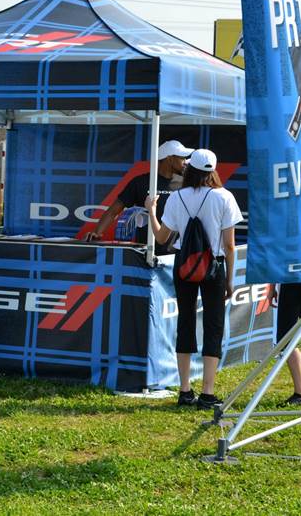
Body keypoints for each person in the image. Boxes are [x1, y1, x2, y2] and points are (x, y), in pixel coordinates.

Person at [145, 148, 241, 410]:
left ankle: (185, 391)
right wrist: (230, 281)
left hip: (184, 266)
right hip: (214, 267)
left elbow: (163, 238)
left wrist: (151, 211)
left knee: (185, 322)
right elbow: (230, 245)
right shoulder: (224, 197)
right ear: (214, 170)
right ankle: (207, 393)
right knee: (213, 326)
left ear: (190, 169)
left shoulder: (177, 197)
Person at [85, 140, 193, 254]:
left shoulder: (185, 184)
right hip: (145, 254)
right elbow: (113, 211)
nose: (185, 162)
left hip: (175, 256)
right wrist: (97, 233)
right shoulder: (140, 182)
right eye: (182, 158)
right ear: (170, 159)